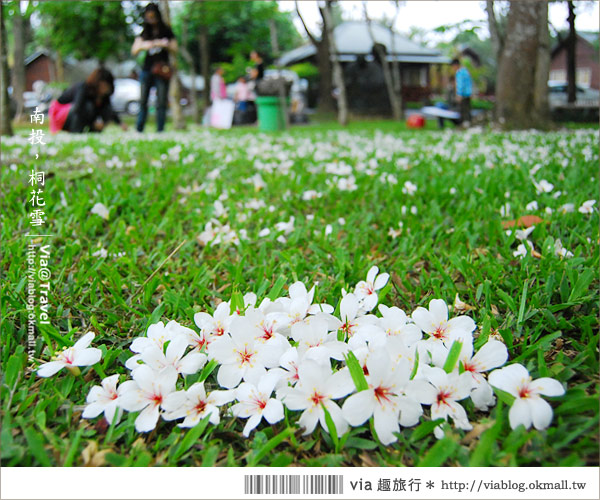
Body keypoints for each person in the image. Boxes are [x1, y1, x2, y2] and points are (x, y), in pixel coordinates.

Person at [131, 3, 177, 132]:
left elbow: (175, 48)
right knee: (143, 101)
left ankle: (160, 129)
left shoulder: (166, 30)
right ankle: (139, 129)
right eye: (148, 16)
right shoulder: (145, 31)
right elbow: (134, 50)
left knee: (161, 102)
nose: (151, 19)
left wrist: (165, 44)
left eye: (153, 16)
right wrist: (150, 44)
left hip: (162, 70)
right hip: (147, 69)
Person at [48, 68, 127, 133]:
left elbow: (110, 109)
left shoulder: (103, 96)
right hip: (61, 115)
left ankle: (94, 130)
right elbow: (78, 108)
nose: (106, 89)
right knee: (88, 106)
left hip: (77, 114)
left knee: (103, 109)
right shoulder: (83, 88)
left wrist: (120, 123)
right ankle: (76, 131)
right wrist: (93, 123)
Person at [451, 58, 472, 126]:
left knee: (463, 110)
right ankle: (468, 123)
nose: (453, 68)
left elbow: (460, 84)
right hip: (468, 93)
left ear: (456, 65)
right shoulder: (466, 71)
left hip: (463, 94)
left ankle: (464, 124)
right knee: (467, 110)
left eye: (453, 66)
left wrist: (459, 95)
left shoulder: (459, 72)